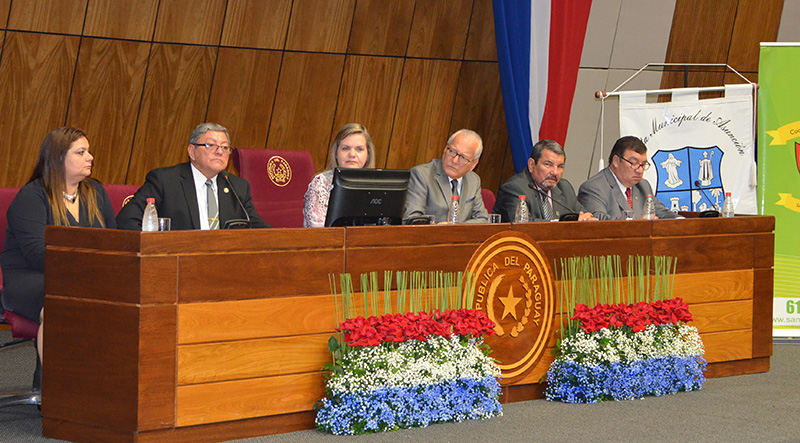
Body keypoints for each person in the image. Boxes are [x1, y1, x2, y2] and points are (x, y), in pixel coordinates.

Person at [1, 127, 117, 369]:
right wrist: (88, 269)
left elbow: (113, 242)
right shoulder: (32, 196)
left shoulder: (95, 192)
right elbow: (37, 256)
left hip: (86, 279)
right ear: (58, 158)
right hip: (32, 279)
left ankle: (101, 385)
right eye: (81, 152)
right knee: (61, 308)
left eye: (89, 151)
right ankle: (56, 394)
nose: (90, 157)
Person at [116, 122, 269, 230]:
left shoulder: (237, 187)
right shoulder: (165, 181)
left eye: (224, 147)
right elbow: (128, 220)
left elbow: (254, 224)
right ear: (192, 151)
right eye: (211, 145)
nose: (220, 152)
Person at [494, 139, 596, 222]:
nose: (555, 172)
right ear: (531, 165)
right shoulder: (514, 188)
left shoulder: (564, 187)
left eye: (560, 166)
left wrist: (587, 220)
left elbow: (583, 214)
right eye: (548, 164)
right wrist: (561, 224)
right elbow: (521, 224)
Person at [578, 135, 677, 220]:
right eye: (633, 163)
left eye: (643, 165)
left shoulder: (643, 185)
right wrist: (637, 225)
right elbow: (599, 219)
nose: (639, 170)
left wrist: (682, 221)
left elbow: (663, 213)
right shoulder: (593, 188)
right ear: (616, 161)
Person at [403, 129, 489, 224]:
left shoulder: (473, 180)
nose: (455, 160)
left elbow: (483, 219)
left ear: (474, 164)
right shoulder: (422, 175)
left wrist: (453, 229)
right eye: (452, 151)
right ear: (445, 149)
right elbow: (412, 220)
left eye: (463, 158)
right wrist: (440, 230)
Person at [303, 123, 376, 227]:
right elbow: (318, 229)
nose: (352, 154)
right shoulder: (321, 183)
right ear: (336, 153)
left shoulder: (374, 184)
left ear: (368, 155)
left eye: (359, 149)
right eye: (345, 148)